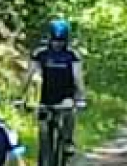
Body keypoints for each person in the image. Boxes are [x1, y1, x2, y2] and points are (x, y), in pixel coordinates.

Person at [21, 17, 87, 155]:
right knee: (44, 125)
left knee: (69, 112)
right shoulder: (40, 53)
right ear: (49, 38)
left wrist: (81, 97)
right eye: (55, 40)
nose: (57, 44)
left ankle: (68, 141)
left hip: (66, 95)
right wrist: (21, 95)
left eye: (61, 41)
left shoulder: (72, 55)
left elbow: (78, 77)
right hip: (45, 95)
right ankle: (45, 156)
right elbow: (30, 75)